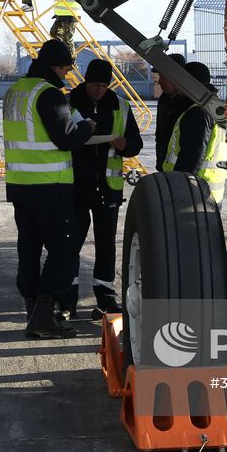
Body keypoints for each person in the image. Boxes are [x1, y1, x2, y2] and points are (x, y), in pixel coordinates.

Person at [3, 39, 94, 339]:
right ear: (55, 65)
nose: (68, 74)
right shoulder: (49, 94)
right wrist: (87, 128)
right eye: (67, 68)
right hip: (49, 187)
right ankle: (44, 314)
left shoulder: (15, 92)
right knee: (65, 252)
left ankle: (33, 311)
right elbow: (66, 139)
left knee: (28, 250)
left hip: (20, 186)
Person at [65, 59, 143, 317]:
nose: (99, 90)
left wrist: (124, 145)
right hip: (76, 185)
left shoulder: (119, 105)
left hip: (108, 187)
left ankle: (106, 294)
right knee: (71, 242)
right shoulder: (69, 103)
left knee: (106, 243)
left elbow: (135, 143)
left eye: (103, 85)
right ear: (85, 81)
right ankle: (68, 296)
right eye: (95, 85)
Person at [161, 61, 227, 204]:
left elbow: (192, 157)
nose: (178, 87)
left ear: (190, 84)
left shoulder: (197, 113)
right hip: (207, 193)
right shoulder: (215, 110)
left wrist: (178, 189)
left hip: (194, 194)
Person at [152, 52, 187, 168]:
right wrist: (160, 164)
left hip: (185, 175)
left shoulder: (189, 104)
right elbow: (160, 136)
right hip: (166, 170)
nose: (159, 81)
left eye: (162, 76)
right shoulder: (164, 100)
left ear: (175, 76)